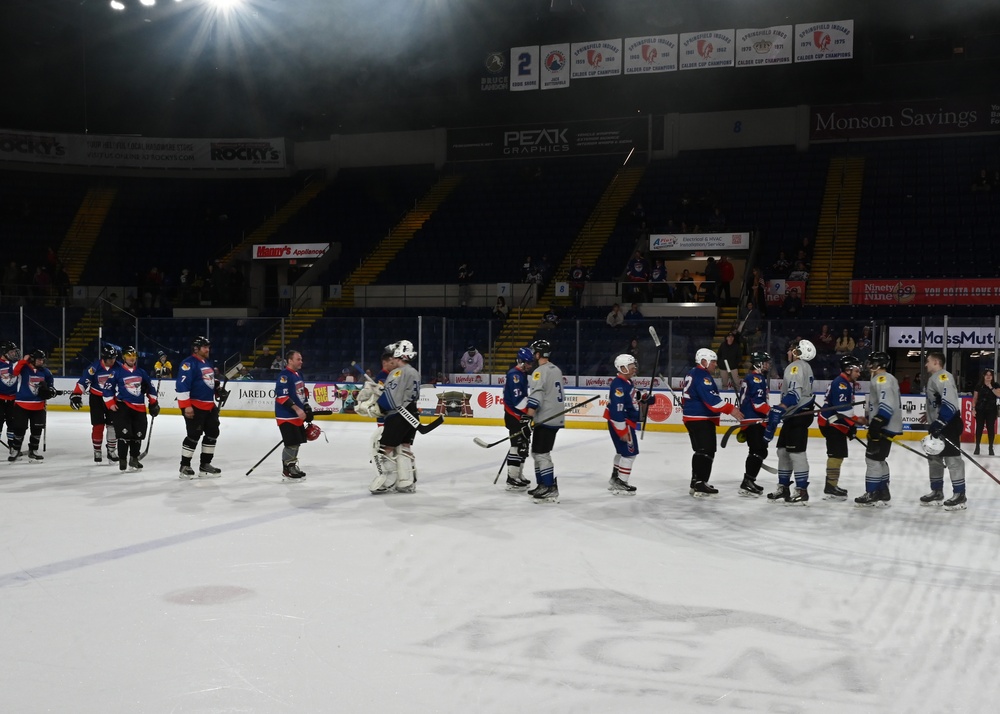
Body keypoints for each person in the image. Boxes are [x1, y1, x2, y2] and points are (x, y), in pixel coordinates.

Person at [682, 348, 743, 497]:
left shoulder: (693, 373)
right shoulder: (703, 376)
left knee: (700, 451)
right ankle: (700, 483)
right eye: (713, 361)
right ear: (704, 361)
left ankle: (696, 481)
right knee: (707, 451)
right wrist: (732, 409)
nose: (715, 364)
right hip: (701, 419)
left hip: (693, 418)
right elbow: (713, 403)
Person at [763, 339, 817, 504]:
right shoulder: (804, 367)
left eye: (791, 349)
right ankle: (783, 488)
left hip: (798, 414)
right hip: (794, 415)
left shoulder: (795, 366)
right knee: (783, 451)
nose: (788, 352)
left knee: (796, 453)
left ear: (797, 352)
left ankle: (801, 490)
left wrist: (781, 406)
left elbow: (794, 394)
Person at [369, 339, 421, 494]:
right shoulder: (414, 371)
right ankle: (406, 482)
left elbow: (392, 398)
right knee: (405, 448)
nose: (391, 358)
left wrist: (376, 407)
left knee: (385, 448)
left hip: (398, 416)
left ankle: (386, 482)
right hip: (412, 414)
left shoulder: (398, 372)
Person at [920, 351, 966, 510]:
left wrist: (940, 421)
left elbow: (951, 403)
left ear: (935, 362)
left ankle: (960, 495)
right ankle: (937, 491)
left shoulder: (942, 377)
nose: (926, 364)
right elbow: (939, 401)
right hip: (938, 424)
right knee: (934, 459)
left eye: (928, 361)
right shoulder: (935, 378)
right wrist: (930, 415)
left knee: (953, 460)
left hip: (948, 425)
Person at [176, 335, 226, 479]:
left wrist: (218, 389)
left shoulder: (207, 363)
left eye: (208, 347)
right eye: (205, 347)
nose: (207, 349)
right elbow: (181, 385)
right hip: (194, 406)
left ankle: (205, 465)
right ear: (196, 349)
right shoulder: (188, 364)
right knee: (193, 435)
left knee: (212, 434)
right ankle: (184, 465)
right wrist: (186, 406)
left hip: (209, 406)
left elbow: (209, 381)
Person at [854, 351, 901, 507]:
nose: (869, 365)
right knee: (879, 459)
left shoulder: (882, 379)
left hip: (884, 426)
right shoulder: (885, 378)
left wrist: (877, 423)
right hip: (887, 425)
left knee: (872, 459)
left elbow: (887, 405)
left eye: (872, 362)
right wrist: (869, 419)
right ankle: (883, 491)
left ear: (879, 364)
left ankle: (873, 492)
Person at [102, 346, 159, 472]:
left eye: (133, 355)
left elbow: (151, 387)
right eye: (129, 355)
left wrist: (153, 402)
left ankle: (134, 458)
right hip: (123, 407)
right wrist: (110, 403)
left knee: (137, 435)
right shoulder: (116, 372)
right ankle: (122, 458)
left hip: (139, 408)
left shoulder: (141, 372)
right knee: (124, 434)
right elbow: (107, 389)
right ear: (124, 357)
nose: (132, 358)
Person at [521, 339, 564, 503]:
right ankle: (542, 485)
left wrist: (528, 417)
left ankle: (549, 487)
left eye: (534, 352)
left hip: (545, 418)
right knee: (537, 452)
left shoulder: (539, 371)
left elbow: (537, 395)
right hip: (554, 417)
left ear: (538, 354)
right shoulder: (556, 370)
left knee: (541, 453)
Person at [818, 354, 863, 501]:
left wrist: (849, 426)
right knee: (836, 455)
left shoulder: (845, 383)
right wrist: (856, 422)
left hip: (836, 423)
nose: (859, 373)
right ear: (848, 370)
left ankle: (831, 485)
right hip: (831, 423)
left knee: (838, 454)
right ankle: (830, 486)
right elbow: (842, 410)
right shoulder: (841, 384)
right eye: (856, 370)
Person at [69, 343, 121, 463]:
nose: (113, 361)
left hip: (112, 399)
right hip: (96, 399)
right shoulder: (94, 367)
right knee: (98, 425)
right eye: (110, 358)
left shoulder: (119, 367)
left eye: (114, 358)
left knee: (112, 426)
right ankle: (97, 450)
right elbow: (83, 382)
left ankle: (111, 450)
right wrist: (76, 394)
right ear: (104, 358)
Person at [275, 350, 317, 482]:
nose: (301, 361)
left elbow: (302, 393)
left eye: (301, 359)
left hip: (296, 416)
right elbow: (282, 396)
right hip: (286, 416)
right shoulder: (284, 376)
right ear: (290, 361)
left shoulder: (299, 374)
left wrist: (306, 407)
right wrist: (297, 409)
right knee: (291, 443)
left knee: (297, 442)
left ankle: (292, 465)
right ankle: (287, 468)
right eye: (298, 359)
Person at [8, 349, 56, 462]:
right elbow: (14, 372)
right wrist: (23, 361)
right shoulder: (23, 368)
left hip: (39, 405)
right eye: (39, 359)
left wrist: (50, 391)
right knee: (19, 428)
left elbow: (51, 386)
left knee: (37, 429)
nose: (41, 361)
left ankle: (33, 450)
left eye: (42, 359)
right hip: (22, 404)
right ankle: (15, 450)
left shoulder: (46, 372)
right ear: (33, 359)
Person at [604, 353, 641, 495]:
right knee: (630, 454)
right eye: (631, 366)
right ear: (623, 368)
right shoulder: (618, 385)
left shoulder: (627, 382)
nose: (634, 368)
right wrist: (622, 430)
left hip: (625, 422)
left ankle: (615, 478)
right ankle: (621, 482)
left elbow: (630, 398)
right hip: (623, 423)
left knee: (621, 452)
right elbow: (616, 409)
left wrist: (643, 397)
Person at [736, 351, 771, 497]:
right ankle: (747, 482)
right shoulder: (756, 379)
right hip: (753, 419)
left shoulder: (755, 377)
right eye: (766, 362)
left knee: (758, 451)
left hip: (753, 419)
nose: (768, 365)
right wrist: (772, 412)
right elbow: (757, 403)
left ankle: (749, 480)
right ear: (759, 364)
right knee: (758, 450)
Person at [501, 347, 534, 491]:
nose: (530, 366)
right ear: (520, 361)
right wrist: (531, 412)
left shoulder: (522, 374)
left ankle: (519, 475)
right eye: (527, 363)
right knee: (516, 445)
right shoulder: (514, 375)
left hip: (521, 415)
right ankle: (512, 477)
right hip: (514, 416)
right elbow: (518, 401)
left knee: (523, 445)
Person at [972, 368, 1000, 455]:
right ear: (983, 376)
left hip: (991, 410)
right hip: (980, 409)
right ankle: (977, 446)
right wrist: (973, 409)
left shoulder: (995, 385)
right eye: (987, 375)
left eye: (990, 375)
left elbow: (998, 394)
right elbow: (975, 398)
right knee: (979, 428)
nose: (988, 377)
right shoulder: (979, 385)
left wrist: (991, 387)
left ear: (992, 377)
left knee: (990, 428)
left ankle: (990, 447)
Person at [0, 341, 20, 453]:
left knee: (12, 423)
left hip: (13, 400)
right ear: (5, 352)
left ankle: (12, 446)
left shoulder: (16, 365)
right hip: (0, 400)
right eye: (11, 351)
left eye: (14, 351)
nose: (14, 354)